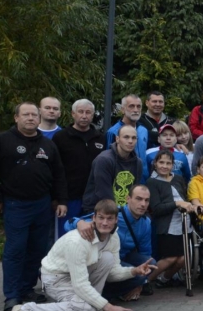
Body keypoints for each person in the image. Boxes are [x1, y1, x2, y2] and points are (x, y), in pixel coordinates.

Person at [8, 199, 155, 311]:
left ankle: (91, 304)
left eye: (110, 218)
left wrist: (134, 271)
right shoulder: (77, 242)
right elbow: (80, 285)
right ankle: (25, 310)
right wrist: (109, 307)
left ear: (116, 220)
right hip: (56, 278)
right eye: (101, 218)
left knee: (108, 258)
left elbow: (112, 272)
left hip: (78, 276)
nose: (105, 223)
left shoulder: (113, 237)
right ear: (94, 218)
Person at [0, 102, 68, 311]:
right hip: (15, 204)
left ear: (39, 119)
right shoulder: (1, 141)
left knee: (37, 250)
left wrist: (61, 199)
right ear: (16, 118)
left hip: (42, 204)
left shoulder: (48, 145)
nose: (30, 118)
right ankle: (12, 296)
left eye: (34, 115)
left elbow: (58, 174)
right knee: (15, 250)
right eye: (25, 114)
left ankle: (27, 289)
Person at [70, 184, 156, 301]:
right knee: (113, 263)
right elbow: (70, 223)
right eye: (138, 199)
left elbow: (146, 255)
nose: (143, 204)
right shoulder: (115, 214)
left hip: (124, 258)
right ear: (128, 199)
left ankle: (108, 294)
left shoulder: (146, 223)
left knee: (150, 265)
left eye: (146, 200)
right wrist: (79, 223)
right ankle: (97, 296)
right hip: (103, 259)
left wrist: (140, 284)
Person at [52, 99, 105, 237]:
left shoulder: (100, 138)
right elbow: (55, 170)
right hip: (69, 199)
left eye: (88, 112)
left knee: (91, 238)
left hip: (94, 199)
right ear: (73, 114)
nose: (84, 116)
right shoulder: (60, 137)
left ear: (93, 115)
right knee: (66, 237)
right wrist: (58, 199)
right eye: (80, 112)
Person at [146, 151, 191, 287]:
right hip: (167, 226)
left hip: (184, 223)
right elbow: (156, 208)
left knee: (184, 259)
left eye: (168, 163)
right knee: (170, 258)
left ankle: (164, 279)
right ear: (155, 164)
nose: (164, 166)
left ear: (173, 165)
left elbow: (184, 198)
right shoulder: (152, 182)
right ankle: (145, 281)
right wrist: (177, 204)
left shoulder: (178, 178)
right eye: (161, 162)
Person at [82, 125, 144, 212]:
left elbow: (134, 192)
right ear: (117, 139)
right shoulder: (104, 160)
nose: (130, 141)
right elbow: (104, 194)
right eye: (126, 137)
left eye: (134, 138)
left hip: (125, 211)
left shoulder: (138, 163)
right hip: (98, 210)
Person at [106, 94, 150, 161]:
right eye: (131, 106)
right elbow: (108, 158)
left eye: (138, 106)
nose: (136, 110)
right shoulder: (113, 132)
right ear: (123, 109)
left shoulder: (143, 130)